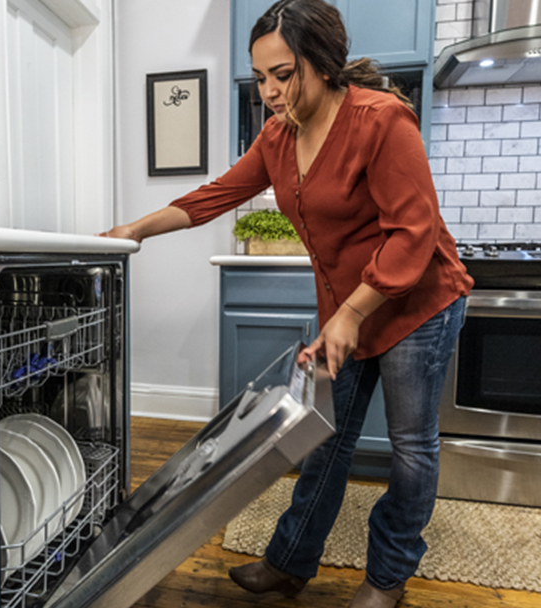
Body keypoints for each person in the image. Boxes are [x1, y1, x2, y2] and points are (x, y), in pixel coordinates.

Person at [100, 0, 473, 606]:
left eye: (282, 74)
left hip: (416, 307)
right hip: (348, 312)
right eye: (261, 77)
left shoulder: (381, 120)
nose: (269, 91)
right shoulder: (278, 136)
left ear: (322, 64)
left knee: (410, 449)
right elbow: (217, 194)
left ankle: (387, 579)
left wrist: (351, 314)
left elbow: (414, 232)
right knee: (322, 435)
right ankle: (290, 561)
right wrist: (135, 229)